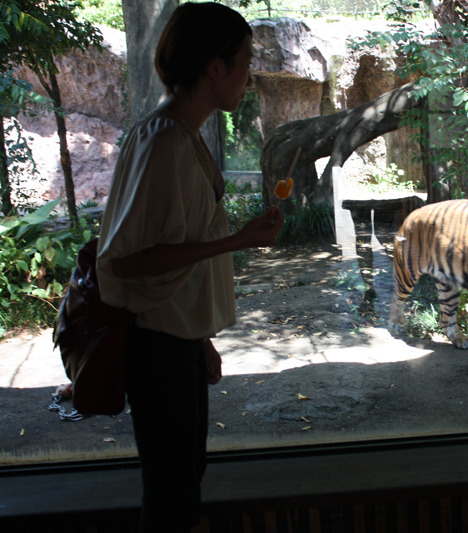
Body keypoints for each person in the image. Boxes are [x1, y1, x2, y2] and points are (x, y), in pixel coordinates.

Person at [96, 3, 282, 532]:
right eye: (245, 61)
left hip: (173, 341)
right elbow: (129, 261)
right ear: (214, 67)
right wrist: (236, 241)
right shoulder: (164, 141)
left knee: (181, 482)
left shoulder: (179, 135)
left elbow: (167, 250)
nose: (250, 75)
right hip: (155, 350)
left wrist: (199, 336)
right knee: (172, 495)